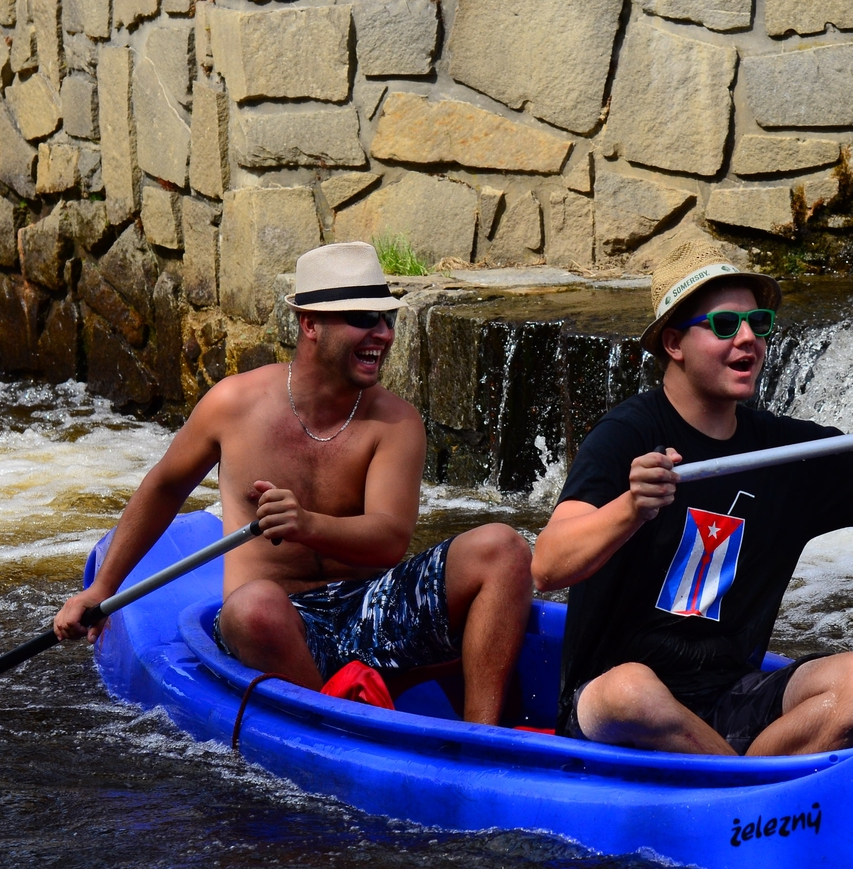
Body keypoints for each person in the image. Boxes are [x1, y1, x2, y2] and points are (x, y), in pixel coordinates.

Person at [531, 241, 853, 756]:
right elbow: (549, 565)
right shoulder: (625, 435)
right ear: (674, 343)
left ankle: (735, 776)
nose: (748, 338)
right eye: (725, 326)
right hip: (613, 707)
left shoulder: (785, 450)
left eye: (758, 323)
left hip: (732, 696)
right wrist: (631, 508)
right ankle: (743, 787)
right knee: (631, 690)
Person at [55, 241, 533, 724]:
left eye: (387, 319)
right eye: (365, 319)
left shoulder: (396, 422)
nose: (383, 334)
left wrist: (306, 523)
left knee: (504, 547)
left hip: (368, 610)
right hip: (276, 623)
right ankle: (336, 724)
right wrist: (102, 588)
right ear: (310, 324)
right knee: (252, 607)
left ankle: (483, 740)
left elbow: (390, 541)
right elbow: (164, 488)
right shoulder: (234, 405)